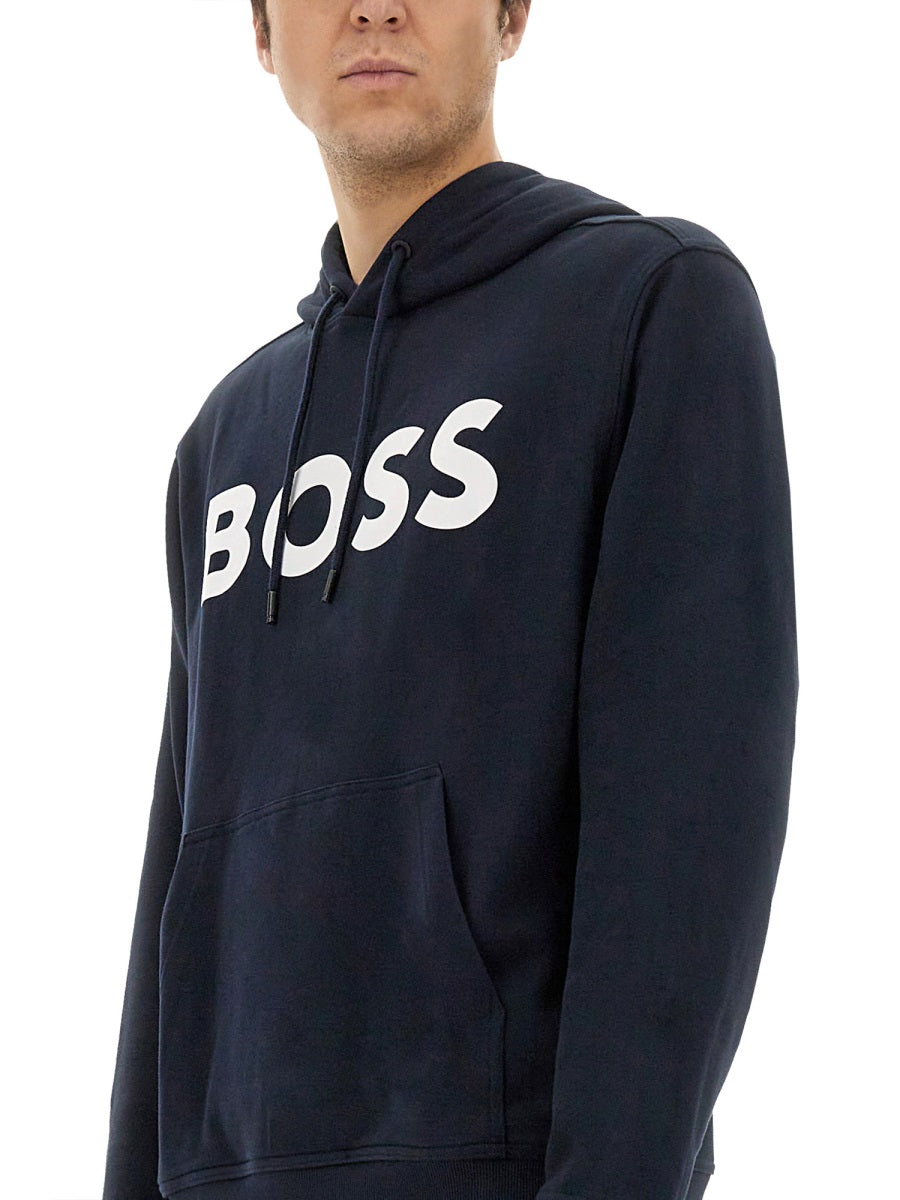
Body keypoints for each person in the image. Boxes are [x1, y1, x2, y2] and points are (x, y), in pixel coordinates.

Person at [101, 2, 799, 1199]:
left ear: (512, 14)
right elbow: (177, 874)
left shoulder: (647, 306)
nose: (375, 7)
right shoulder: (226, 438)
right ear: (262, 34)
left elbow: (686, 841)